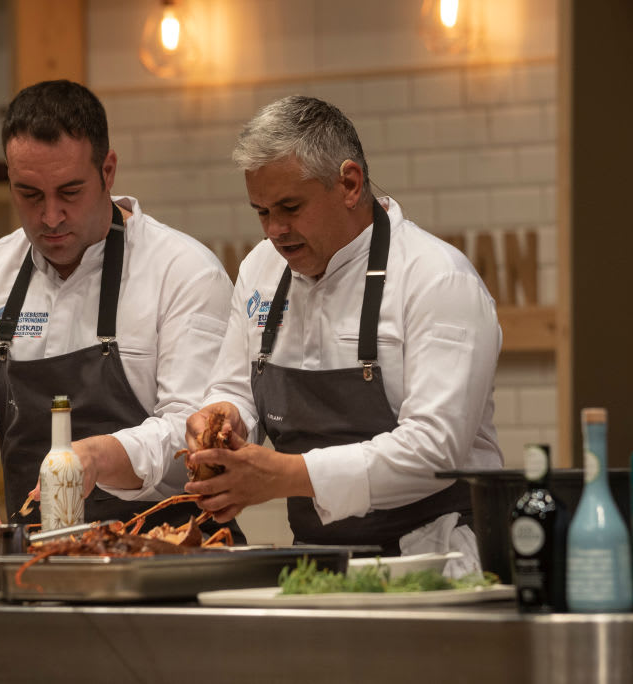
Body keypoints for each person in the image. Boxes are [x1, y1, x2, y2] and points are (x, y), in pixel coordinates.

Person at [0, 80, 242, 542]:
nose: (50, 216)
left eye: (69, 191)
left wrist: (97, 457)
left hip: (175, 555)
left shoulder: (184, 272)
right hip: (38, 562)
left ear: (108, 170)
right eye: (29, 194)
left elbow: (192, 435)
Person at [182, 95, 501, 569]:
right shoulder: (260, 271)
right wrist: (221, 418)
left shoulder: (437, 279)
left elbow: (436, 448)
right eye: (262, 212)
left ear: (349, 183)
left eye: (290, 207)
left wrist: (287, 474)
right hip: (318, 560)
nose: (275, 229)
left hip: (438, 561)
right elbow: (234, 386)